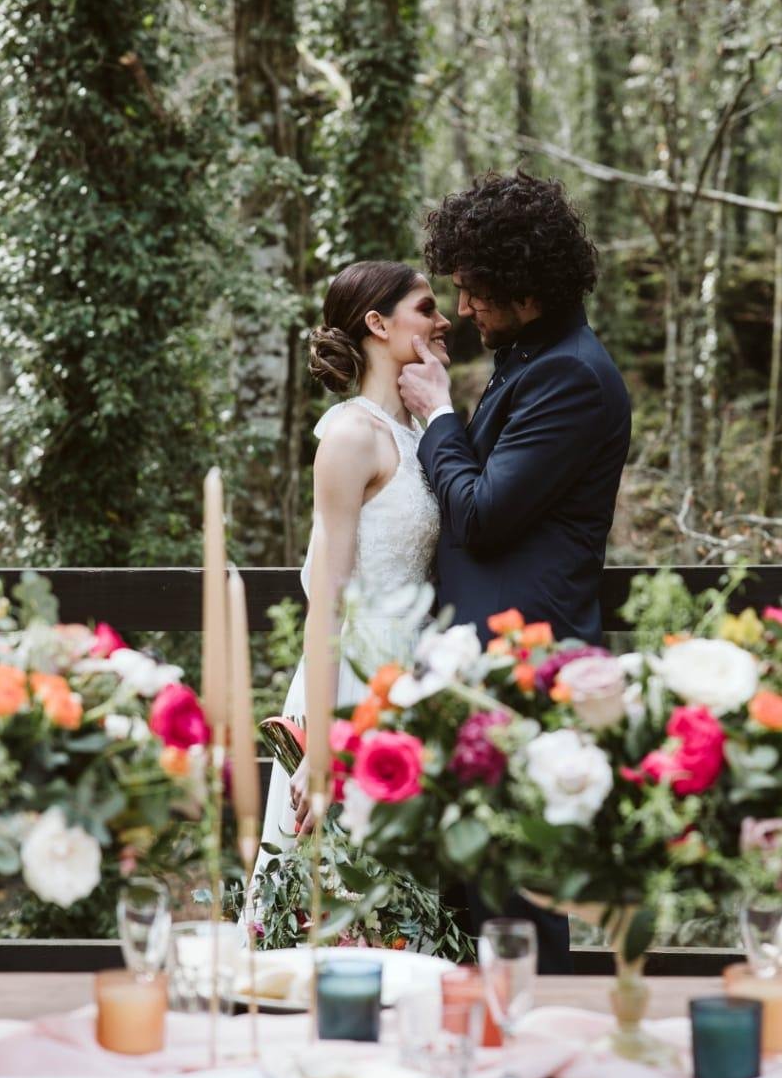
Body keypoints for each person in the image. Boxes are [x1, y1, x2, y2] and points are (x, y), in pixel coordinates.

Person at [398, 170, 633, 972]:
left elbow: (483, 513)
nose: (464, 309)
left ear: (525, 288)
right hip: (481, 666)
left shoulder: (571, 374)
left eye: (474, 291)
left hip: (528, 669)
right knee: (472, 895)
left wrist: (435, 411)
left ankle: (533, 1060)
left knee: (517, 906)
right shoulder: (532, 356)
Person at [252, 261, 450, 875]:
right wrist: (322, 746)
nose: (443, 321)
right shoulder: (348, 436)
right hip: (353, 680)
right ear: (376, 323)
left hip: (414, 678)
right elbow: (329, 597)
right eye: (426, 308)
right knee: (340, 886)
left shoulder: (420, 431)